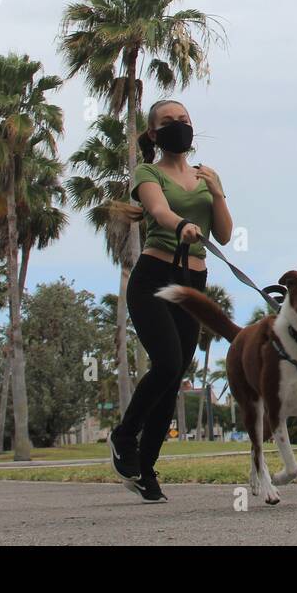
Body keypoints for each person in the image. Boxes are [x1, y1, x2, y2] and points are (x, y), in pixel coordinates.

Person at [107, 99, 232, 502]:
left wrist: (218, 193)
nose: (179, 126)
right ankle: (124, 437)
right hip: (153, 281)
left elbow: (225, 235)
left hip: (193, 284)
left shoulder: (205, 176)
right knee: (166, 363)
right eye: (169, 122)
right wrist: (183, 224)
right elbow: (159, 212)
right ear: (154, 134)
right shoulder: (147, 173)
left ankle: (146, 469)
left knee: (173, 375)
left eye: (185, 120)